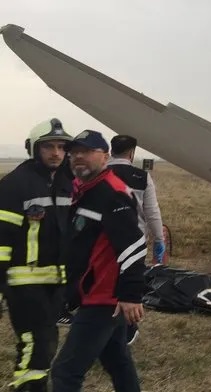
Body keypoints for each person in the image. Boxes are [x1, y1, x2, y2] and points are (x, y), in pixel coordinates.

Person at [50, 130, 147, 392]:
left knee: (65, 373)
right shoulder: (85, 189)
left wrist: (130, 294)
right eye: (75, 152)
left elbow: (134, 244)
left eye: (87, 152)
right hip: (97, 294)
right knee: (117, 361)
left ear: (105, 157)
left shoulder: (111, 193)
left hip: (103, 298)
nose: (78, 157)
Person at [0, 118, 74, 392]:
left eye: (61, 147)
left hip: (56, 281)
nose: (56, 153)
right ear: (34, 149)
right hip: (23, 282)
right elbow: (1, 238)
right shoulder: (15, 184)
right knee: (37, 342)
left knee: (43, 340)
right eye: (49, 147)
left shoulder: (69, 184)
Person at [108, 134, 166, 346]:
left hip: (105, 241)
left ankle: (109, 324)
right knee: (129, 283)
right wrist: (159, 239)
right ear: (131, 153)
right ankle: (128, 328)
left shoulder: (100, 173)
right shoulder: (142, 176)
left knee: (107, 284)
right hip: (134, 241)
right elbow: (152, 212)